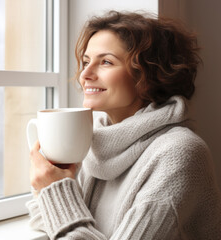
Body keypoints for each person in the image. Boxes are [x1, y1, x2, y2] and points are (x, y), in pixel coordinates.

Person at [26, 11, 221, 239]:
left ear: (148, 74)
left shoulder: (180, 153)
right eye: (86, 61)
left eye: (106, 62)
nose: (85, 74)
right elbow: (48, 225)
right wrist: (48, 184)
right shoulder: (96, 140)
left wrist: (57, 192)